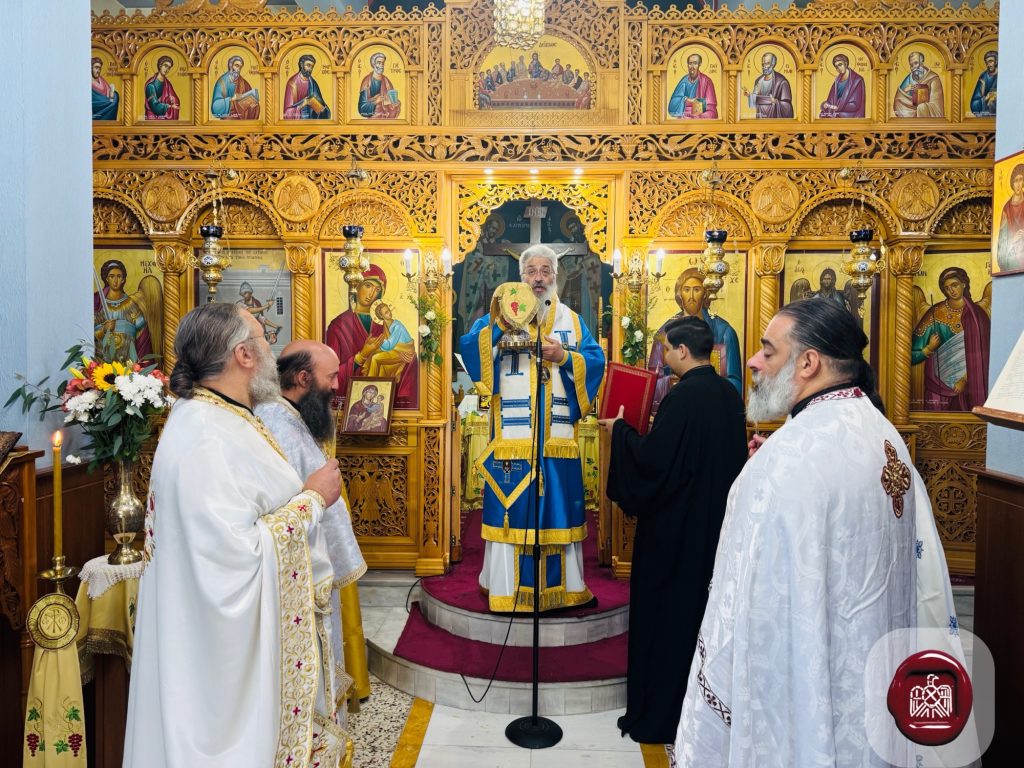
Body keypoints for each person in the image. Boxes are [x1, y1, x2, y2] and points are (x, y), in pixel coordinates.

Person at [673, 299, 966, 768]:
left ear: (808, 363)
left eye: (768, 351)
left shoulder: (788, 461)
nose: (752, 360)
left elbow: (748, 612)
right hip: (874, 693)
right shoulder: (881, 431)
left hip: (806, 709)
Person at [124, 302, 347, 768]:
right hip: (218, 668)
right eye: (264, 340)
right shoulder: (206, 435)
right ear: (243, 355)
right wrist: (312, 500)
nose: (271, 351)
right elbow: (236, 555)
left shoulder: (219, 418)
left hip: (211, 644)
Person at [599, 316, 746, 745]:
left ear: (683, 351)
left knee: (667, 621)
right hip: (713, 528)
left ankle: (658, 716)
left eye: (665, 349)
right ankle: (697, 710)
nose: (662, 357)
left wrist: (621, 431)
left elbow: (653, 462)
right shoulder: (727, 394)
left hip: (674, 533)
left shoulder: (683, 399)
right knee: (699, 620)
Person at [459, 244, 605, 612]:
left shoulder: (571, 320)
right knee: (512, 514)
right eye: (532, 271)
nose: (539, 278)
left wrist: (564, 356)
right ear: (521, 276)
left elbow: (595, 359)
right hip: (513, 441)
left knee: (558, 515)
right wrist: (497, 327)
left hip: (556, 444)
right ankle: (505, 590)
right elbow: (470, 347)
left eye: (546, 271)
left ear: (557, 276)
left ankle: (566, 590)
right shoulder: (500, 314)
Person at [256, 341, 370, 713]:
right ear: (303, 378)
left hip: (312, 567)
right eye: (332, 376)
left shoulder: (291, 416)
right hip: (299, 574)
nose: (338, 385)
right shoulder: (278, 423)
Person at [647, 268, 741, 414]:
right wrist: (671, 382)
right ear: (679, 294)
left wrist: (710, 387)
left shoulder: (724, 332)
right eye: (686, 290)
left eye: (697, 289)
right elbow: (653, 381)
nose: (691, 296)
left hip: (714, 412)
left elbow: (735, 384)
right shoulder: (663, 334)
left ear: (705, 294)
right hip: (677, 410)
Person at [325, 264, 418, 408]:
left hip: (382, 402)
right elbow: (329, 375)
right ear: (356, 286)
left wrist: (408, 358)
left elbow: (400, 352)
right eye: (367, 285)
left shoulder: (384, 326)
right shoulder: (339, 326)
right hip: (351, 404)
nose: (371, 294)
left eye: (377, 289)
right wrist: (361, 356)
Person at [911, 266, 990, 411]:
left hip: (968, 387)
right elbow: (910, 353)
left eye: (955, 285)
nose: (951, 290)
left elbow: (985, 355)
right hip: (937, 386)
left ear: (964, 284)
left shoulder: (978, 316)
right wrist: (928, 349)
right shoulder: (935, 313)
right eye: (946, 288)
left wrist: (965, 379)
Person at [93, 259, 154, 362]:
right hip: (101, 365)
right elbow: (86, 335)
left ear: (123, 279)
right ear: (106, 279)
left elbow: (142, 339)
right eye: (112, 276)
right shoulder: (98, 304)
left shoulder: (132, 305)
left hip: (128, 365)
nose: (115, 280)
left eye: (119, 276)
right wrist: (103, 329)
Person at [893, 50, 944, 118]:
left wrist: (921, 108)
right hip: (910, 115)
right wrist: (905, 90)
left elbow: (936, 106)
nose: (914, 67)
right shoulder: (909, 78)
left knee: (922, 107)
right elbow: (899, 101)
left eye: (916, 63)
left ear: (922, 63)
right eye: (911, 65)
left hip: (927, 117)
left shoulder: (933, 78)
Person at [744, 51, 793, 118]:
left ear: (773, 64)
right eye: (763, 64)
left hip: (774, 117)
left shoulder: (781, 81)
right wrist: (749, 95)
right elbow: (755, 99)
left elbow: (787, 105)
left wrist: (776, 102)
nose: (764, 66)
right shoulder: (759, 81)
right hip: (761, 115)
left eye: (767, 64)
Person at [668, 53, 718, 119]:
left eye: (695, 63)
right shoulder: (684, 81)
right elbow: (673, 104)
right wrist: (686, 100)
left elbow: (711, 106)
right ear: (687, 65)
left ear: (699, 64)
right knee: (683, 116)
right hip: (686, 113)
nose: (692, 66)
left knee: (710, 114)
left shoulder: (707, 81)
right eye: (690, 63)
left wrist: (695, 104)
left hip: (701, 113)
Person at [211, 55, 260, 120]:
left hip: (243, 115)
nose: (238, 69)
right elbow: (215, 107)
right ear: (230, 66)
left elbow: (250, 99)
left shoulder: (244, 82)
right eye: (236, 65)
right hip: (229, 115)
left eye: (240, 67)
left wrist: (253, 102)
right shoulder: (222, 82)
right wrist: (232, 99)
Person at [284, 53, 331, 119]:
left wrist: (323, 110)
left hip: (312, 120)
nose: (310, 69)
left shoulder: (313, 83)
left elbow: (321, 104)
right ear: (301, 64)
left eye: (312, 67)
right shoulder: (292, 83)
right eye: (308, 65)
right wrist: (302, 105)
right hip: (298, 122)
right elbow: (286, 113)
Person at [996, 162, 1024, 272]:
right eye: (1015, 181)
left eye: (1020, 179)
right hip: (1013, 258)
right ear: (1012, 183)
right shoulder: (1006, 209)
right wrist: (1013, 239)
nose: (1018, 184)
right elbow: (1002, 242)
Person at [819, 53, 866, 118]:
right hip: (837, 112)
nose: (839, 68)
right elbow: (830, 100)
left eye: (840, 65)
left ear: (846, 64)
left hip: (850, 115)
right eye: (836, 67)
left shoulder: (857, 80)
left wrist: (837, 107)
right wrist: (826, 105)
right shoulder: (837, 81)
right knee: (823, 115)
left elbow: (855, 105)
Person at [357, 52, 401, 119]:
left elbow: (392, 104)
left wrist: (395, 104)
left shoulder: (387, 81)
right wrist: (376, 101)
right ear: (373, 64)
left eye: (383, 63)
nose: (381, 66)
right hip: (372, 118)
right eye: (379, 63)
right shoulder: (367, 81)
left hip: (386, 117)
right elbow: (362, 108)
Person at [144, 55, 180, 120]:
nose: (167, 69)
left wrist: (171, 100)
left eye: (169, 67)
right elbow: (154, 107)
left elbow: (175, 100)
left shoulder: (167, 84)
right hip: (152, 120)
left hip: (164, 120)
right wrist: (170, 106)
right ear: (160, 65)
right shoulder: (150, 86)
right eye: (165, 66)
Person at [970, 51, 997, 116]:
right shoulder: (983, 77)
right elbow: (974, 104)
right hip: (987, 113)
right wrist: (985, 98)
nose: (988, 65)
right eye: (986, 63)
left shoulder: (1005, 74)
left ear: (996, 62)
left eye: (990, 61)